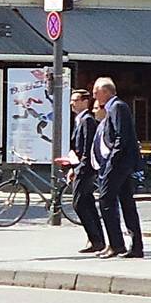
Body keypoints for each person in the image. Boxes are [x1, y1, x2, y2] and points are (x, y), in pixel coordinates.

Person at [91, 76, 144, 258]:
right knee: (126, 203)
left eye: (96, 92)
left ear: (105, 91)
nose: (94, 96)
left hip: (119, 164)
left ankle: (117, 244)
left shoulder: (117, 107)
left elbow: (122, 137)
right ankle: (133, 247)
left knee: (106, 201)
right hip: (119, 164)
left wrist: (111, 162)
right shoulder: (113, 108)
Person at [60, 89, 106, 254]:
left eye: (75, 100)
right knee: (87, 203)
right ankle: (97, 240)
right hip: (80, 167)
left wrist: (80, 169)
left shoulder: (87, 121)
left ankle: (96, 239)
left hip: (85, 169)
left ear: (84, 102)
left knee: (78, 203)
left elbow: (87, 149)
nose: (72, 103)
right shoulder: (79, 120)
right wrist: (72, 167)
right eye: (71, 100)